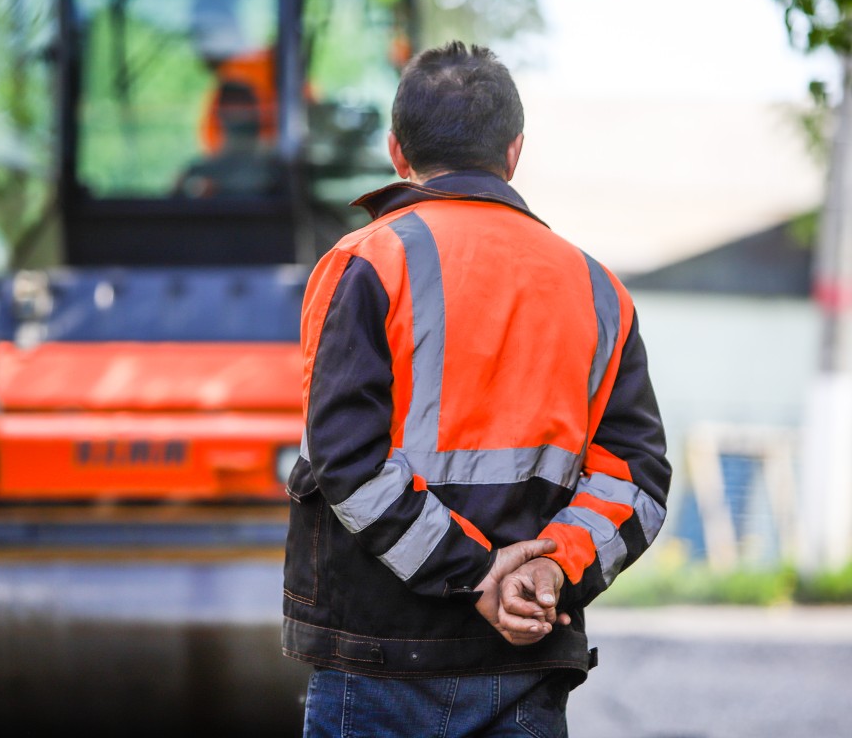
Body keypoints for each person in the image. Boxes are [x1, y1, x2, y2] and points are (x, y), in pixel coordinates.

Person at [281, 40, 672, 737]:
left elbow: (345, 461)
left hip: (376, 662)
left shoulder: (365, 263)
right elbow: (635, 482)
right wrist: (546, 573)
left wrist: (477, 575)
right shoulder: (598, 290)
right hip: (522, 667)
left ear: (397, 152)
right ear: (515, 152)